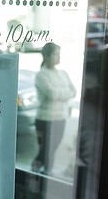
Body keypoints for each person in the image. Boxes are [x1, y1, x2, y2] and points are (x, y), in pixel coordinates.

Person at [32, 42, 76, 174]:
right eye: (56, 54)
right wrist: (64, 93)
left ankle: (46, 173)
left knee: (53, 148)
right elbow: (51, 94)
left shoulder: (62, 73)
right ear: (46, 56)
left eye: (59, 54)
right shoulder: (41, 75)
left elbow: (73, 91)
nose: (59, 57)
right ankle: (36, 172)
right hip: (45, 119)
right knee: (45, 150)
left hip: (60, 118)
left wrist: (60, 93)